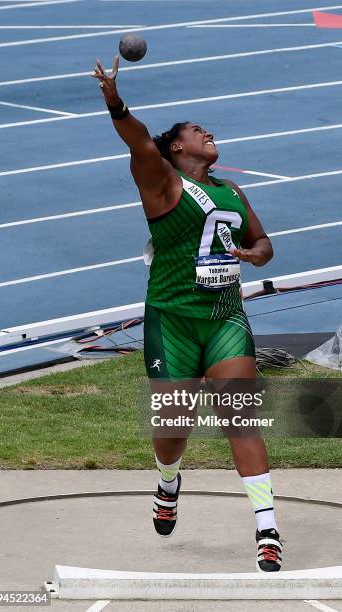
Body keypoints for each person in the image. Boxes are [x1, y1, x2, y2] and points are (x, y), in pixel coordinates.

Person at [92, 56, 282, 572]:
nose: (209, 133)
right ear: (177, 147)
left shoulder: (232, 191)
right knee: (175, 425)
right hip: (172, 319)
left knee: (239, 417)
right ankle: (167, 481)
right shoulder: (163, 184)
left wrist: (253, 255)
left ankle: (267, 529)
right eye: (198, 131)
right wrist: (115, 100)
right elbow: (137, 141)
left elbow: (263, 242)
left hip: (225, 318)